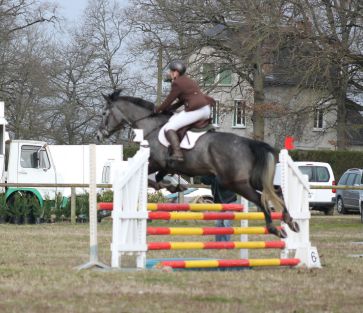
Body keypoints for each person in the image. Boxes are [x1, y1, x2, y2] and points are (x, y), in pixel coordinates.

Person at [155, 60, 215, 162]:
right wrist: (171, 108)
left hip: (196, 110)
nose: (170, 73)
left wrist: (158, 109)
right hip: (206, 109)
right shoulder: (189, 80)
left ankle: (178, 153)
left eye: (171, 71)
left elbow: (169, 100)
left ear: (176, 72)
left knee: (169, 127)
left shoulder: (177, 83)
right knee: (177, 119)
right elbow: (182, 100)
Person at [200, 175, 237, 242]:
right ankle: (218, 244)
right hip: (219, 203)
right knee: (218, 223)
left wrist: (215, 174)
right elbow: (204, 180)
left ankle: (225, 244)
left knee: (226, 222)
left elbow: (222, 183)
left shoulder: (225, 171)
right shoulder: (213, 173)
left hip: (230, 200)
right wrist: (206, 171)